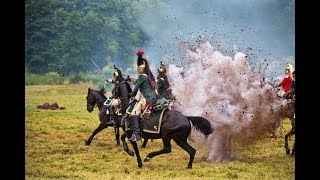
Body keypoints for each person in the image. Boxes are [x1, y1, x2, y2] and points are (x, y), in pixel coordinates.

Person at [124, 49, 158, 141]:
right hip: (150, 97)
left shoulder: (142, 77)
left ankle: (136, 134)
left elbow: (135, 90)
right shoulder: (146, 77)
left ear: (140, 69)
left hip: (146, 99)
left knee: (134, 113)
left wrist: (131, 94)